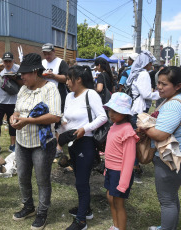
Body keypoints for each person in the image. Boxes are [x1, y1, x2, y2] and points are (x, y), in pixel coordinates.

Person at [142, 67, 181, 230]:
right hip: (177, 156)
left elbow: (160, 135)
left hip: (171, 159)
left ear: (178, 85)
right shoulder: (176, 98)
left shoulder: (174, 104)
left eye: (164, 84)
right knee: (171, 197)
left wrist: (143, 126)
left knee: (166, 200)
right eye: (158, 82)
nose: (159, 87)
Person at [10, 53, 61, 230]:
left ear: (35, 72)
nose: (21, 77)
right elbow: (17, 110)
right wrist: (13, 117)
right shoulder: (23, 89)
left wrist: (28, 121)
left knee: (42, 180)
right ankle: (28, 207)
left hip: (42, 144)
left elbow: (55, 116)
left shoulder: (50, 89)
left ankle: (42, 212)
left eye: (24, 73)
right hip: (22, 141)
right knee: (23, 177)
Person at [62, 66, 107, 230]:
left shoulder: (91, 94)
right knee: (79, 179)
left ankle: (81, 221)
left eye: (69, 79)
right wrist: (63, 124)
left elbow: (102, 117)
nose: (67, 82)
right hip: (72, 143)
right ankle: (85, 209)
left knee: (82, 182)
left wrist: (85, 129)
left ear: (78, 79)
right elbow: (65, 116)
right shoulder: (69, 97)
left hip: (86, 143)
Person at [103, 92, 139, 230]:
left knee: (119, 203)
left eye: (116, 111)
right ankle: (116, 226)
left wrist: (123, 183)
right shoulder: (114, 126)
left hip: (120, 173)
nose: (111, 114)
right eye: (110, 110)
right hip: (111, 171)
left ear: (125, 113)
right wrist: (106, 169)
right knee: (111, 199)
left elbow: (129, 160)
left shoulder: (127, 131)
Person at [126, 50, 160, 183]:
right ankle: (135, 169)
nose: (152, 65)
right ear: (147, 62)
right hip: (138, 111)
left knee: (133, 140)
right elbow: (146, 95)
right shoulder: (144, 74)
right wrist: (161, 94)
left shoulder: (135, 73)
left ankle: (133, 168)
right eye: (151, 62)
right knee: (137, 141)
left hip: (132, 110)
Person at [41, 43, 69, 157]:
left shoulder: (60, 62)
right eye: (45, 54)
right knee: (46, 119)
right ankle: (48, 142)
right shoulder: (42, 63)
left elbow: (66, 78)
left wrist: (53, 76)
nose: (47, 56)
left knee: (58, 120)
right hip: (44, 95)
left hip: (58, 95)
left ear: (54, 52)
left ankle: (59, 146)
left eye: (49, 53)